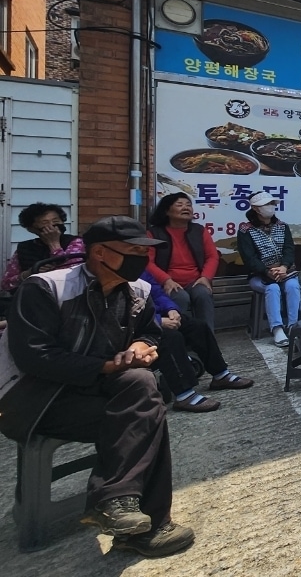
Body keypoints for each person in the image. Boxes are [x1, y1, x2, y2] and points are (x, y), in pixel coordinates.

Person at [0, 216, 195, 557]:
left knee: (141, 386)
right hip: (37, 401)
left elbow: (150, 331)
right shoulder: (47, 288)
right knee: (146, 413)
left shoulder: (138, 290)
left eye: (143, 251)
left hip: (99, 392)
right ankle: (144, 521)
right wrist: (107, 365)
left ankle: (118, 505)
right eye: (133, 251)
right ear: (100, 253)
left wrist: (141, 345)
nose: (141, 258)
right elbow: (35, 358)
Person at [142, 271, 253, 413]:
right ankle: (184, 395)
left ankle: (220, 375)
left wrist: (172, 309)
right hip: (138, 327)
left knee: (197, 326)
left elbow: (157, 294)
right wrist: (157, 321)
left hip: (155, 315)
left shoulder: (139, 271)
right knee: (170, 338)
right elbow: (125, 315)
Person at [145, 193, 220, 336]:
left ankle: (207, 339)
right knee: (180, 297)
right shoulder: (154, 233)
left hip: (195, 280)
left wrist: (205, 277)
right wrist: (165, 280)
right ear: (166, 211)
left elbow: (212, 256)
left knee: (203, 294)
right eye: (179, 205)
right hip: (168, 281)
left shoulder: (199, 230)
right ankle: (181, 339)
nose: (186, 208)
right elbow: (147, 262)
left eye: (188, 205)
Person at [236, 191, 300, 348]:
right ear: (256, 209)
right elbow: (249, 258)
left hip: (284, 272)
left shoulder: (282, 226)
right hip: (259, 275)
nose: (271, 207)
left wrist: (284, 266)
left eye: (272, 204)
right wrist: (266, 272)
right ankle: (277, 329)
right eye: (267, 204)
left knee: (292, 286)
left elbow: (289, 249)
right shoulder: (246, 230)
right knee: (272, 288)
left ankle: (293, 326)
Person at [2, 202, 85, 292]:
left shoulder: (75, 242)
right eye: (45, 223)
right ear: (32, 229)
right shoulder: (24, 248)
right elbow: (6, 284)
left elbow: (70, 275)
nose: (52, 226)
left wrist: (54, 244)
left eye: (56, 221)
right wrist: (28, 273)